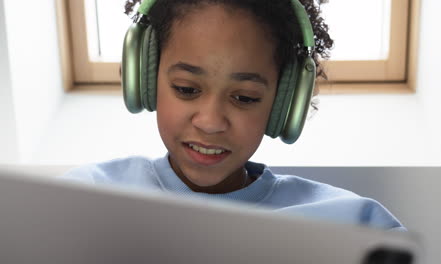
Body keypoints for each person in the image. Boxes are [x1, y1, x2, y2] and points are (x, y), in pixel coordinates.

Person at [63, 0, 405, 231]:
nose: (210, 122)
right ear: (146, 79)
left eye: (244, 97)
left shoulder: (355, 224)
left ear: (284, 101)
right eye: (186, 89)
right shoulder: (82, 199)